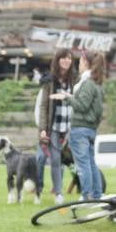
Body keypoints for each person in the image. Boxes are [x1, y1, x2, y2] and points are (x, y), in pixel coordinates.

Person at [36, 48, 78, 204]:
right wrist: (42, 129)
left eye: (69, 58)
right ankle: (59, 193)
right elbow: (43, 106)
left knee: (72, 160)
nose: (66, 61)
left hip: (69, 127)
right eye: (63, 58)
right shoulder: (50, 80)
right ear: (57, 60)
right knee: (55, 160)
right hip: (54, 126)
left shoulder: (74, 79)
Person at [69, 51, 107, 200]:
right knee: (91, 163)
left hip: (80, 129)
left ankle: (87, 195)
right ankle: (97, 194)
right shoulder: (97, 84)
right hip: (91, 129)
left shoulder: (87, 83)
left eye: (79, 62)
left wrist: (67, 98)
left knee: (83, 164)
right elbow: (98, 111)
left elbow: (82, 105)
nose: (78, 65)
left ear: (85, 63)